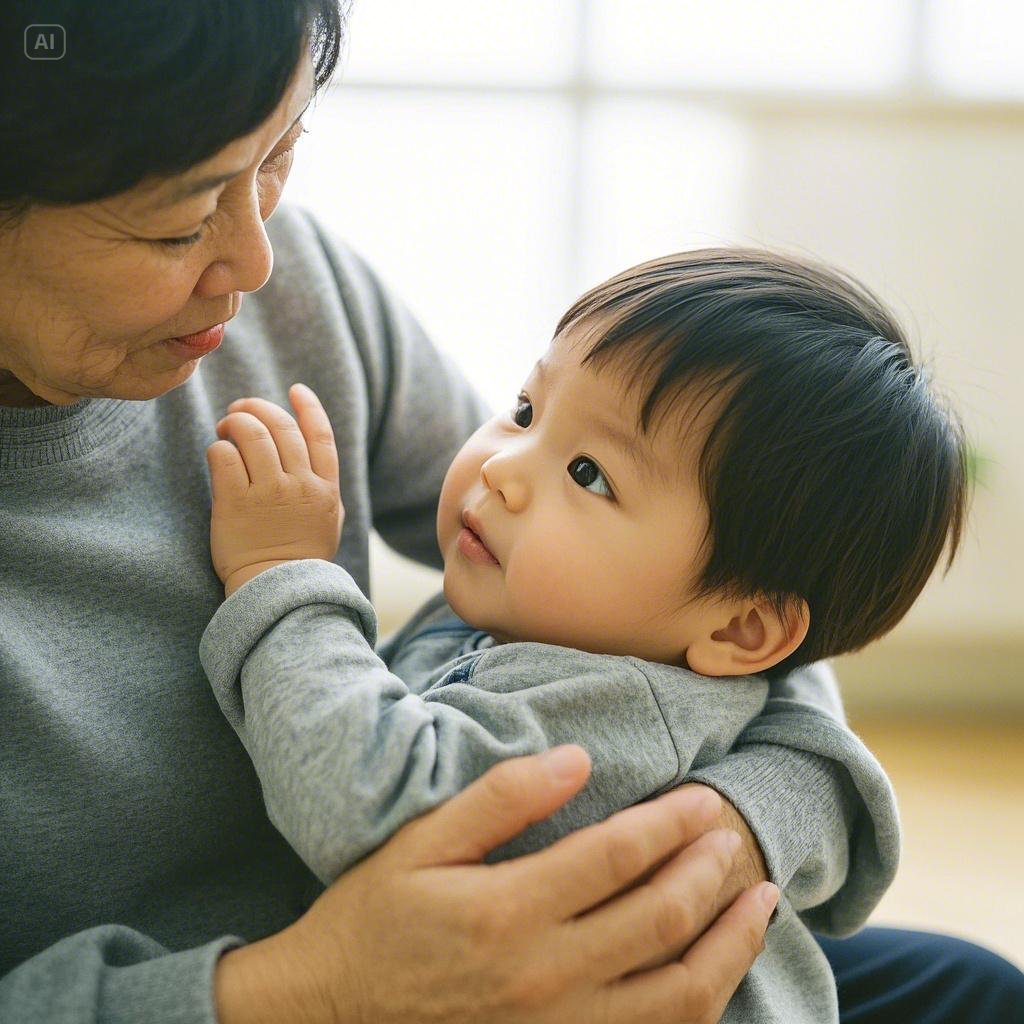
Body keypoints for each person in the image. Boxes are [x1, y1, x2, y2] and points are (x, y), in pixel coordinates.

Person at [2, 2, 1022, 1022]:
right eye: (177, 221)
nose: (259, 260)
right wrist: (307, 989)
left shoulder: (291, 290)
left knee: (972, 990)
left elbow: (747, 563)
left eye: (279, 154)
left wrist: (745, 818)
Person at [195, 247, 961, 1023]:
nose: (503, 467)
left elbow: (363, 801)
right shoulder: (577, 622)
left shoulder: (601, 711)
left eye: (590, 473)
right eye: (527, 410)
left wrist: (280, 574)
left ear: (741, 627)